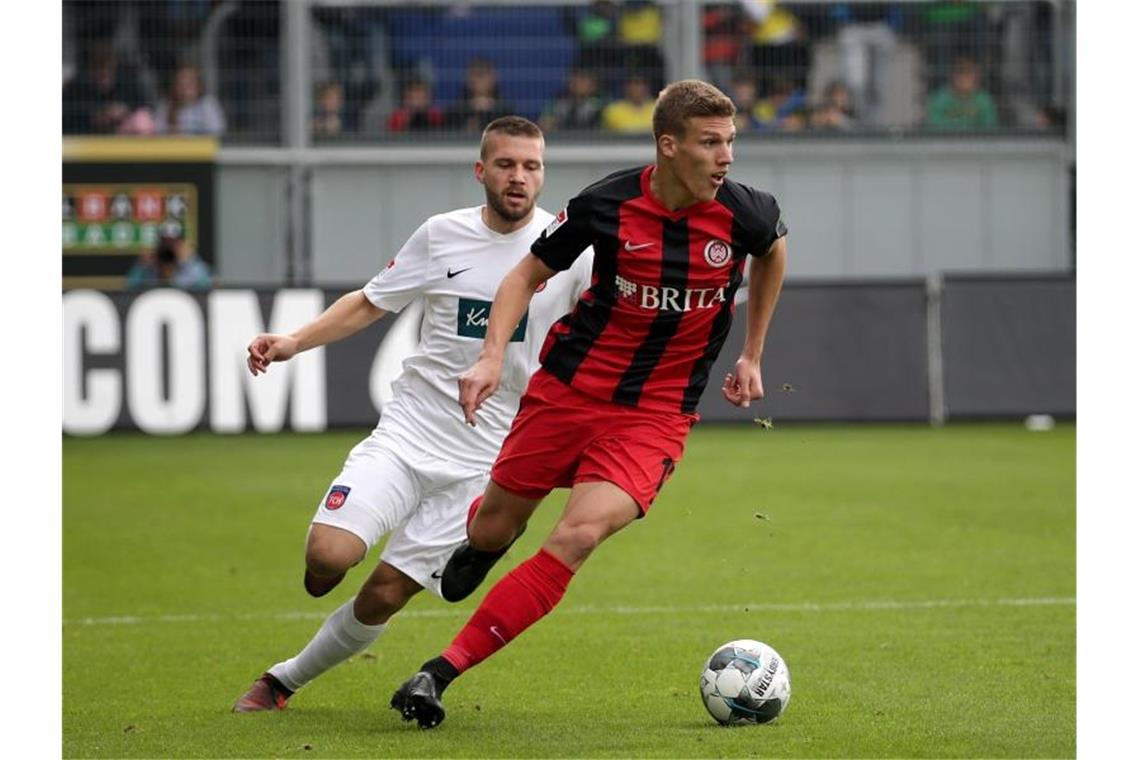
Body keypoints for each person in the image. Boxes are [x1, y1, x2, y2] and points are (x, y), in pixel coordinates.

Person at [390, 79, 788, 729]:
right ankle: (481, 538)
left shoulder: (747, 213)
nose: (726, 158)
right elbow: (525, 275)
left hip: (655, 415)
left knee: (577, 534)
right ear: (669, 146)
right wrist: (491, 356)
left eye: (731, 142)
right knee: (495, 527)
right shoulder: (606, 205)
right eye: (711, 143)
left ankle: (438, 672)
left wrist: (753, 352)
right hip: (568, 393)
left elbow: (772, 250)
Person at [231, 116, 594, 712]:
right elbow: (371, 302)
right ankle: (330, 566)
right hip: (409, 433)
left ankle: (282, 681)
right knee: (327, 559)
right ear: (482, 171)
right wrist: (294, 341)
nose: (519, 178)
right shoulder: (441, 235)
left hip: (489, 461)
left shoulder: (570, 249)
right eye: (506, 165)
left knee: (384, 594)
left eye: (531, 167)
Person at [926, 55, 999, 130]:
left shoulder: (984, 99)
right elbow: (934, 125)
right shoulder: (939, 98)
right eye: (959, 72)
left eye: (968, 73)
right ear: (952, 75)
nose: (963, 78)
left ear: (976, 76)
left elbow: (990, 126)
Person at [445, 58, 516, 133]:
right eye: (474, 74)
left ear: (493, 78)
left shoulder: (504, 110)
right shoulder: (457, 109)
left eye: (482, 75)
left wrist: (492, 107)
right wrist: (471, 107)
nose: (479, 80)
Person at [155, 64, 226, 136]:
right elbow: (157, 133)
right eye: (181, 83)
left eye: (189, 83)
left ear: (199, 85)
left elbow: (218, 131)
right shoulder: (166, 105)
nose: (184, 88)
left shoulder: (208, 104)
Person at [125, 233, 213, 290]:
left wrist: (191, 261)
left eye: (173, 244)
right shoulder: (149, 267)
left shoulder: (190, 265)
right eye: (165, 243)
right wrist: (141, 265)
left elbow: (206, 285)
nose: (169, 250)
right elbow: (130, 286)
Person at [539, 68, 606, 132]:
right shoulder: (559, 99)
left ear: (593, 84)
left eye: (583, 79)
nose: (577, 82)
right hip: (562, 140)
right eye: (575, 78)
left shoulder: (600, 102)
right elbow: (545, 121)